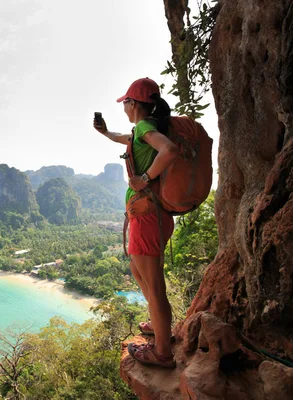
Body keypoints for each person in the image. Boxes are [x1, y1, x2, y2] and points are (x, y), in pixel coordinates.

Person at [93, 77, 179, 368]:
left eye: (126, 102)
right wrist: (106, 133)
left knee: (154, 286)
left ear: (134, 104)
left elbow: (169, 150)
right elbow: (124, 138)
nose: (124, 107)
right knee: (139, 271)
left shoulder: (144, 128)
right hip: (150, 215)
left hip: (147, 216)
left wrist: (145, 178)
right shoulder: (143, 130)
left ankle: (163, 353)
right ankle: (159, 325)